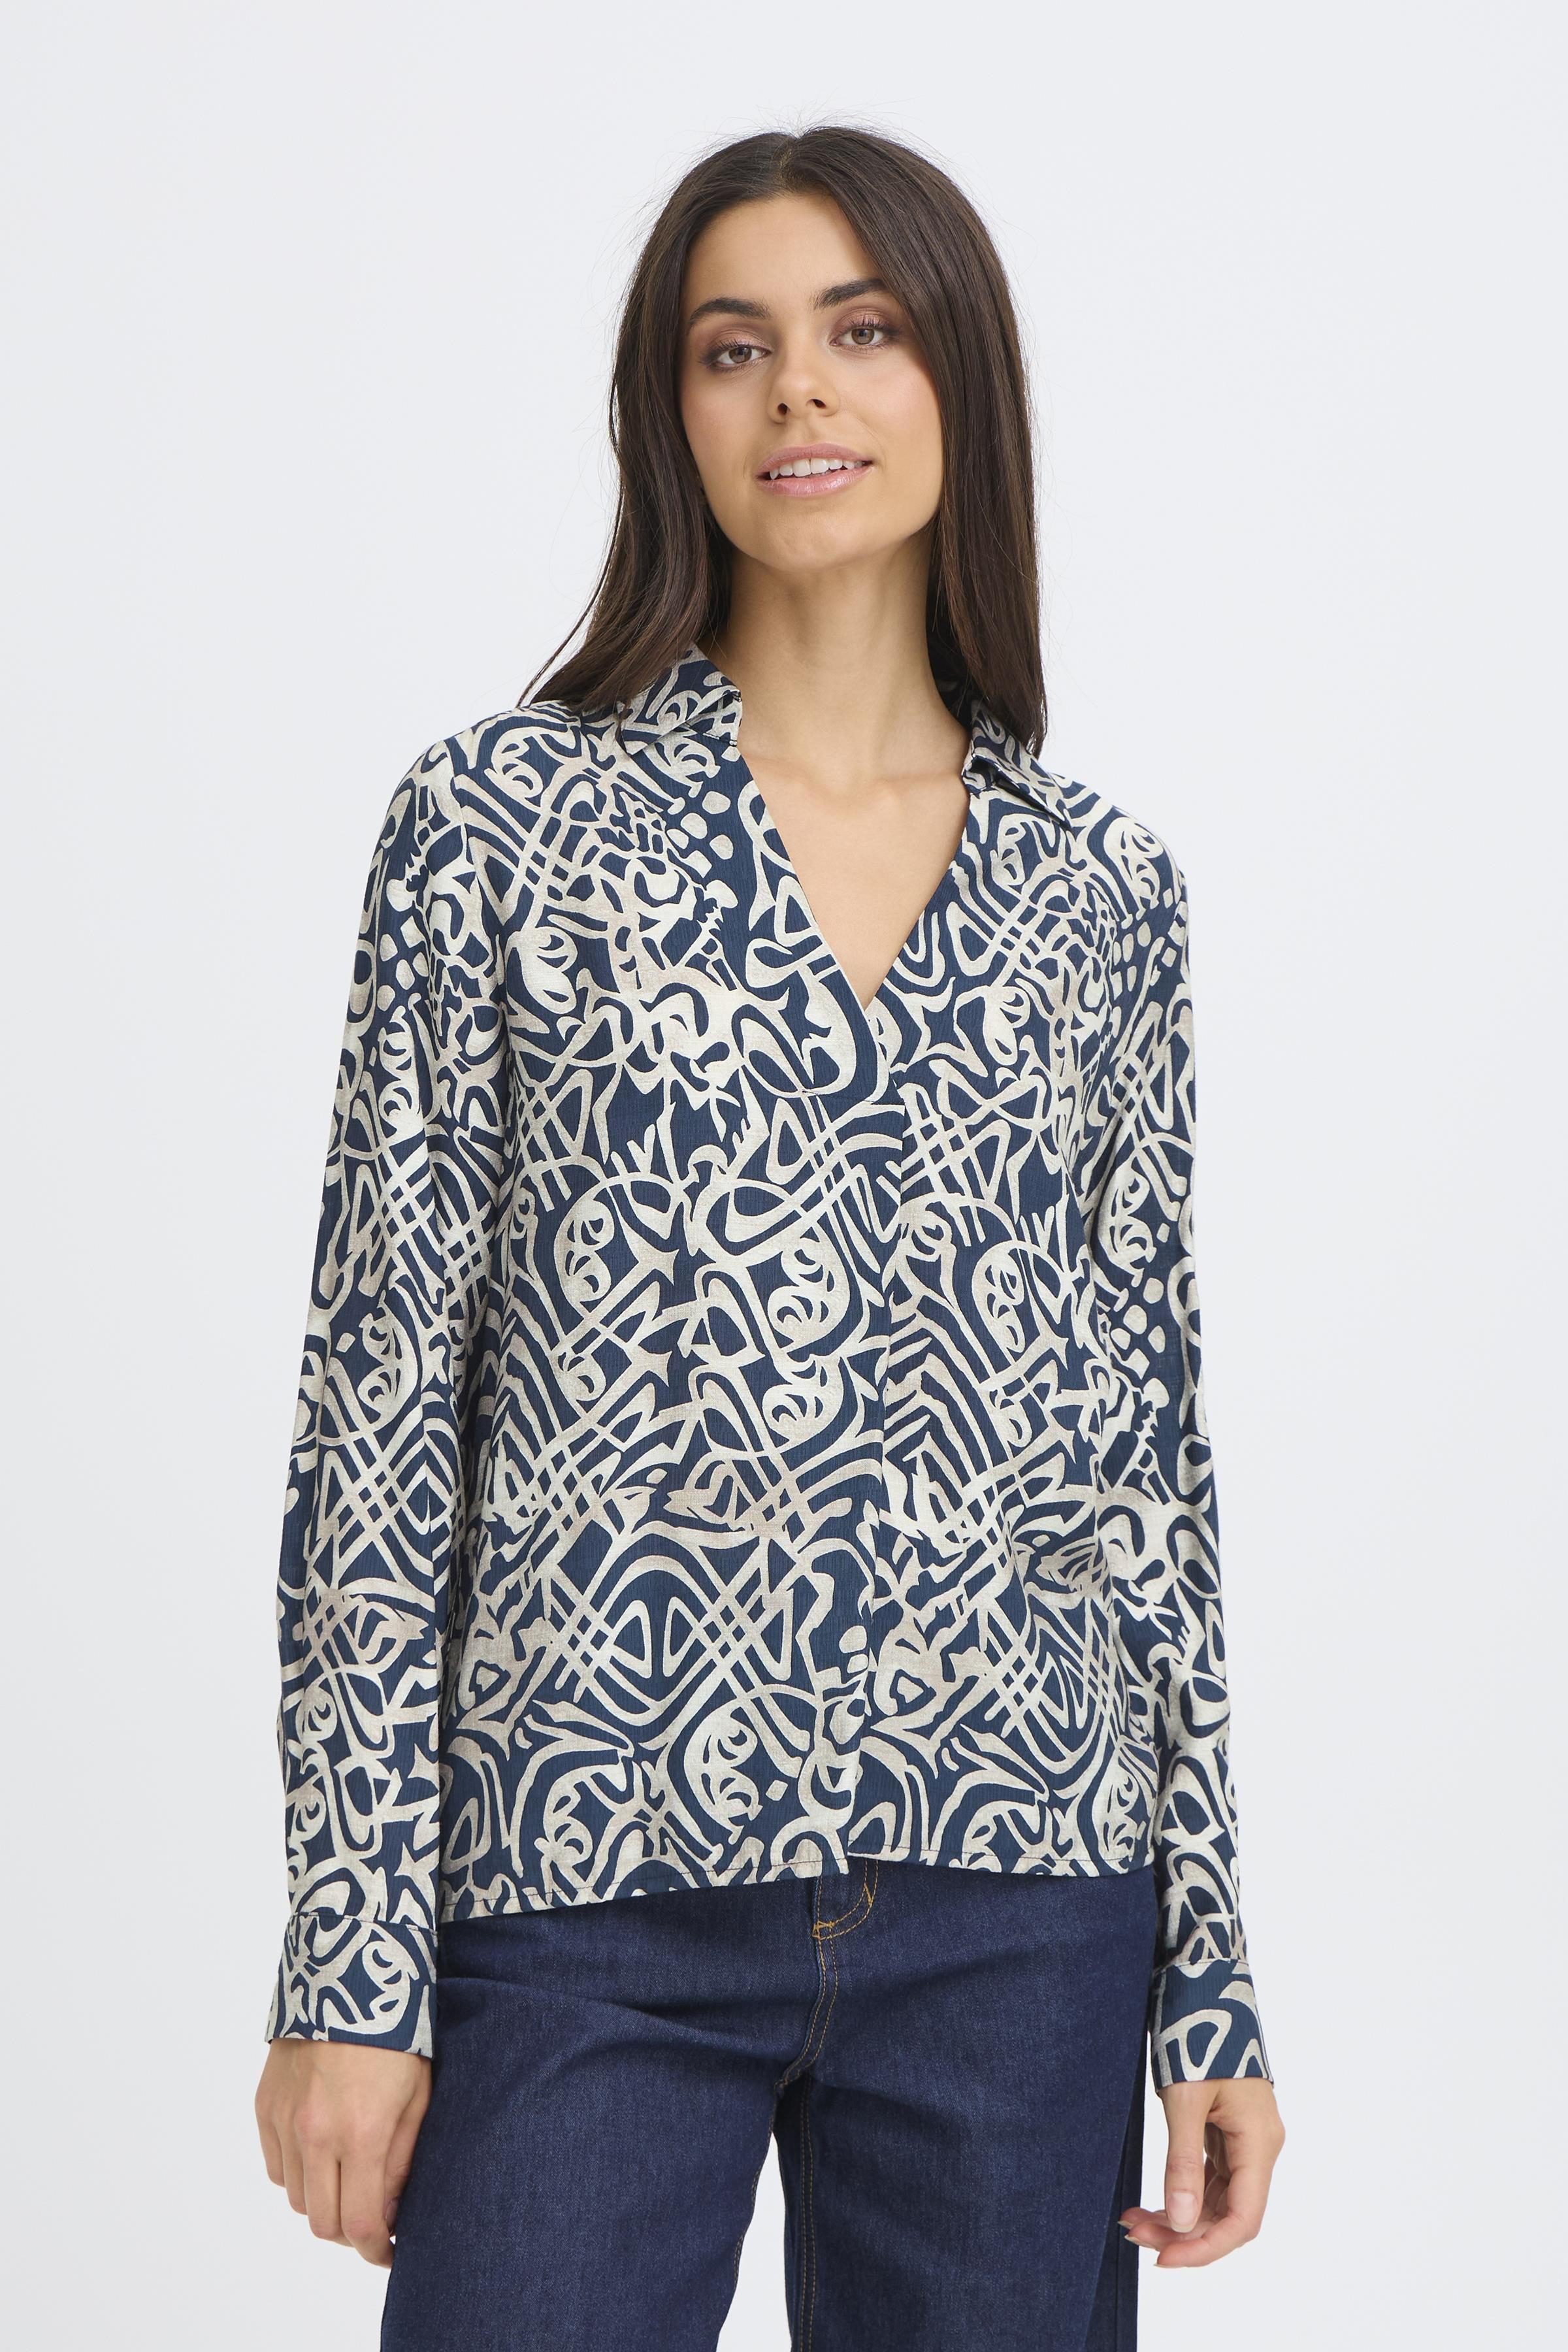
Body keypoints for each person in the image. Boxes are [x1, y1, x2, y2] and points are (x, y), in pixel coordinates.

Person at [253, 123, 1284, 2352]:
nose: (800, 388)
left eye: (862, 330)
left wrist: (1207, 1980)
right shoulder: (496, 825)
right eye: (734, 348)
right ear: (674, 414)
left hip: (1021, 1898)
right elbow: (380, 1425)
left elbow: (1149, 1462)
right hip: (586, 1879)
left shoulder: (1104, 895)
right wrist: (350, 1963)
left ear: (957, 381)